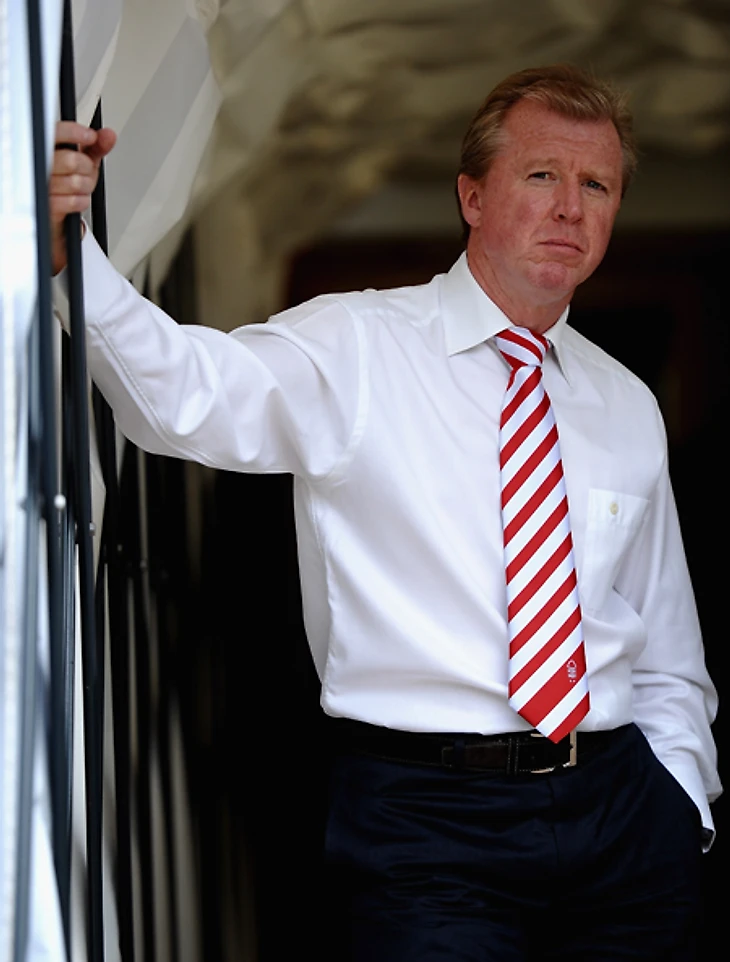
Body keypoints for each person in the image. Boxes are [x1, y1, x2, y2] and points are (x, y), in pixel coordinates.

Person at [50, 63, 721, 960]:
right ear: (472, 196)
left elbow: (666, 647)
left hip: (623, 819)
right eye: (541, 175)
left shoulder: (627, 403)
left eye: (596, 185)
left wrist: (682, 806)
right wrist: (70, 252)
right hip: (427, 816)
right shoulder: (355, 346)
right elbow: (183, 395)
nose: (570, 207)